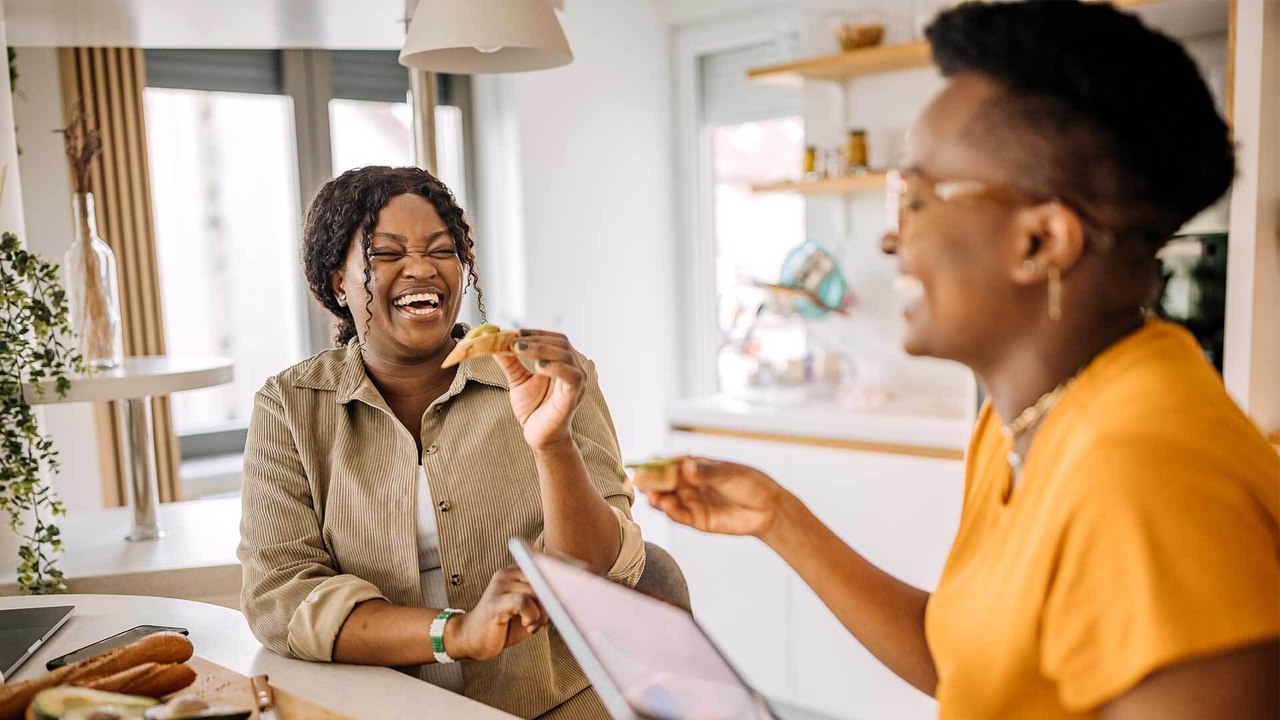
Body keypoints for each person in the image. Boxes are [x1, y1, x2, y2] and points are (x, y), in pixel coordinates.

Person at [646, 3, 1279, 718]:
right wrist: (779, 518)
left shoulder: (1152, 479)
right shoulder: (1024, 420)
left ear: (1040, 243)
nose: (893, 241)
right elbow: (966, 662)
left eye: (915, 198)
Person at [238, 166, 644, 720]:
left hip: (554, 704)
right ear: (338, 281)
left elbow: (598, 575)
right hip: (377, 708)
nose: (422, 268)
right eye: (386, 253)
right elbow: (280, 597)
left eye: (441, 249)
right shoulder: (290, 405)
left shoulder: (550, 378)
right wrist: (456, 634)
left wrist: (552, 447)